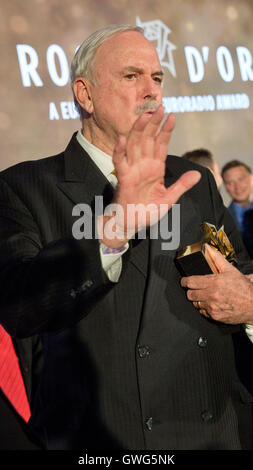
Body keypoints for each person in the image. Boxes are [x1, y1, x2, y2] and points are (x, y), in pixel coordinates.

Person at [0, 24, 252, 450]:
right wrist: (116, 226)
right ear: (85, 94)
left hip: (215, 430)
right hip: (105, 438)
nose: (151, 90)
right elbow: (21, 306)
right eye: (131, 76)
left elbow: (241, 272)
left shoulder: (195, 181)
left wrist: (248, 305)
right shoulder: (24, 187)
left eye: (157, 78)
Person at [222, 160, 253, 257]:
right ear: (225, 187)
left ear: (251, 178)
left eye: (241, 179)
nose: (237, 187)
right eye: (230, 183)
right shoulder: (222, 220)